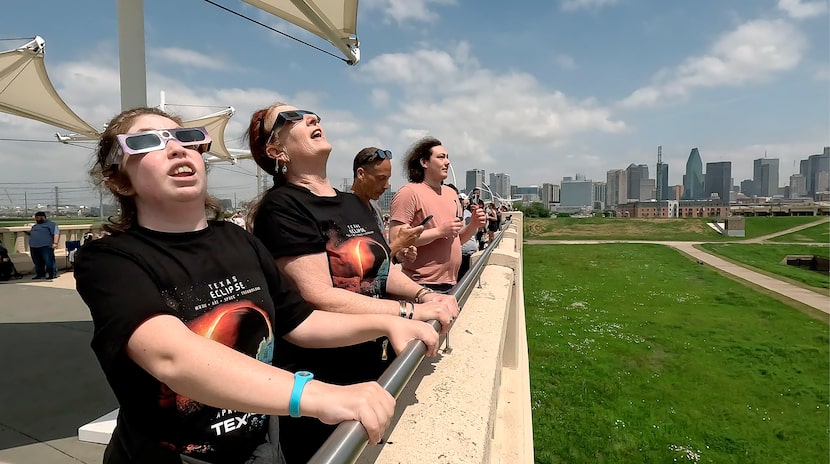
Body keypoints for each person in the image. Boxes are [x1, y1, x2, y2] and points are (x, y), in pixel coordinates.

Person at [74, 107, 439, 464]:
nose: (176, 148)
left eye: (187, 138)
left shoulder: (238, 240)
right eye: (148, 142)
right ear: (119, 179)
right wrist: (316, 395)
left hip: (260, 449)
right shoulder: (109, 259)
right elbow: (172, 357)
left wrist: (392, 320)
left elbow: (301, 322)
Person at [246, 103, 459, 463]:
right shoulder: (282, 208)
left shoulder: (353, 204)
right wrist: (410, 311)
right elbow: (318, 295)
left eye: (310, 113)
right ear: (276, 151)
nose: (312, 118)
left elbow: (382, 270)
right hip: (321, 374)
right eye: (290, 118)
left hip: (372, 355)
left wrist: (426, 295)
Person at [388, 137, 486, 292]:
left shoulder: (451, 194)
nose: (447, 162)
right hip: (420, 287)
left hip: (453, 283)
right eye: (441, 157)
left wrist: (474, 224)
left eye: (447, 157)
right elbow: (395, 240)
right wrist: (439, 232)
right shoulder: (409, 193)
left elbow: (457, 239)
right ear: (424, 163)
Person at [351, 146, 420, 264]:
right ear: (361, 174)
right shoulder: (345, 210)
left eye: (388, 179)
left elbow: (382, 254)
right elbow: (359, 263)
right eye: (381, 178)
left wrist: (399, 255)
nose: (386, 186)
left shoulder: (375, 208)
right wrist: (399, 243)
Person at [27, 211, 60, 279]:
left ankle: (52, 274)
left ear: (43, 217)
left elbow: (56, 233)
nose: (37, 219)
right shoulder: (35, 226)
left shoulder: (52, 224)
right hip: (34, 246)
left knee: (49, 260)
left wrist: (55, 243)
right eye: (36, 218)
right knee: (37, 261)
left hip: (46, 246)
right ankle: (40, 274)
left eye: (38, 218)